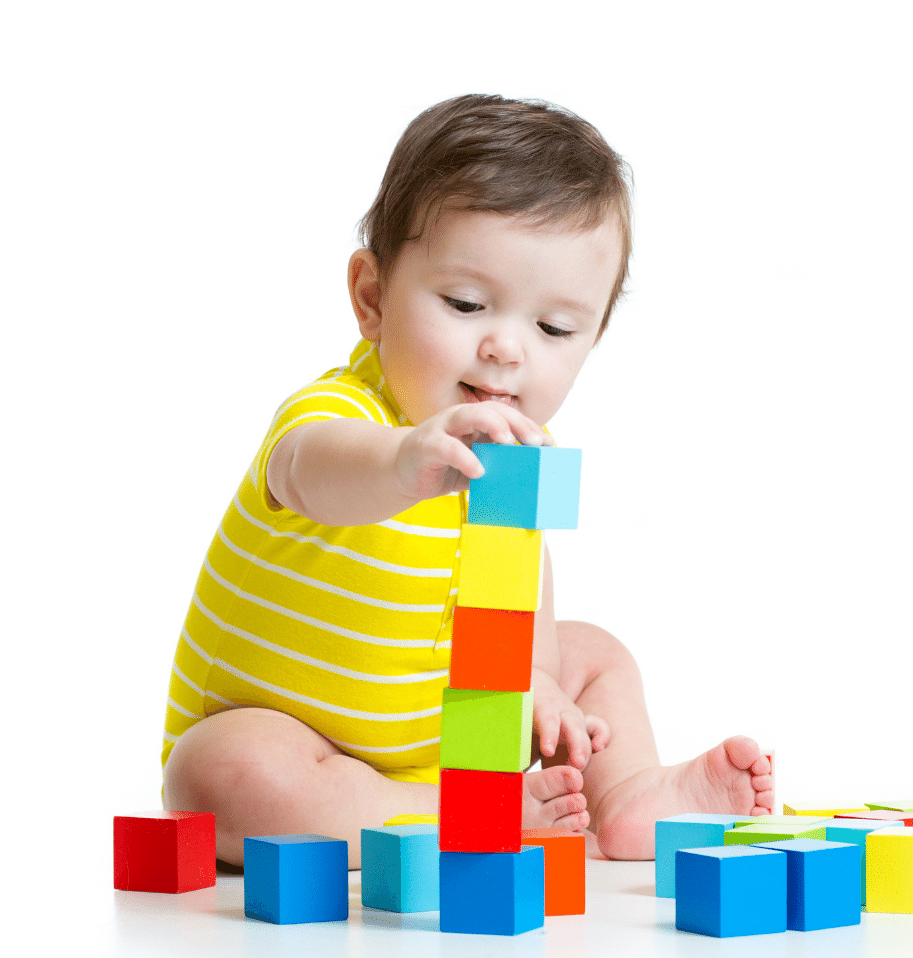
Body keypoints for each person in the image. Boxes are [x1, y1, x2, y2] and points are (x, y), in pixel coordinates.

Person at [162, 93, 773, 868]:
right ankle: (466, 815)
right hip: (309, 742)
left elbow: (516, 585)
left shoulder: (524, 450)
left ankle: (624, 799)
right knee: (222, 771)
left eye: (554, 328)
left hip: (457, 727)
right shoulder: (338, 416)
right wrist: (402, 460)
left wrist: (540, 682)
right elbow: (308, 471)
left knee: (597, 653)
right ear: (372, 298)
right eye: (465, 303)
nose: (506, 348)